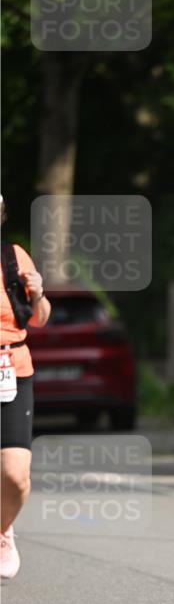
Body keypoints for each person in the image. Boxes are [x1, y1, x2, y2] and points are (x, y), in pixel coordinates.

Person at [0, 195, 51, 578]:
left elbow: (41, 319)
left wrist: (38, 291)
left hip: (12, 369)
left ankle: (3, 530)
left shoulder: (14, 257)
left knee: (15, 475)